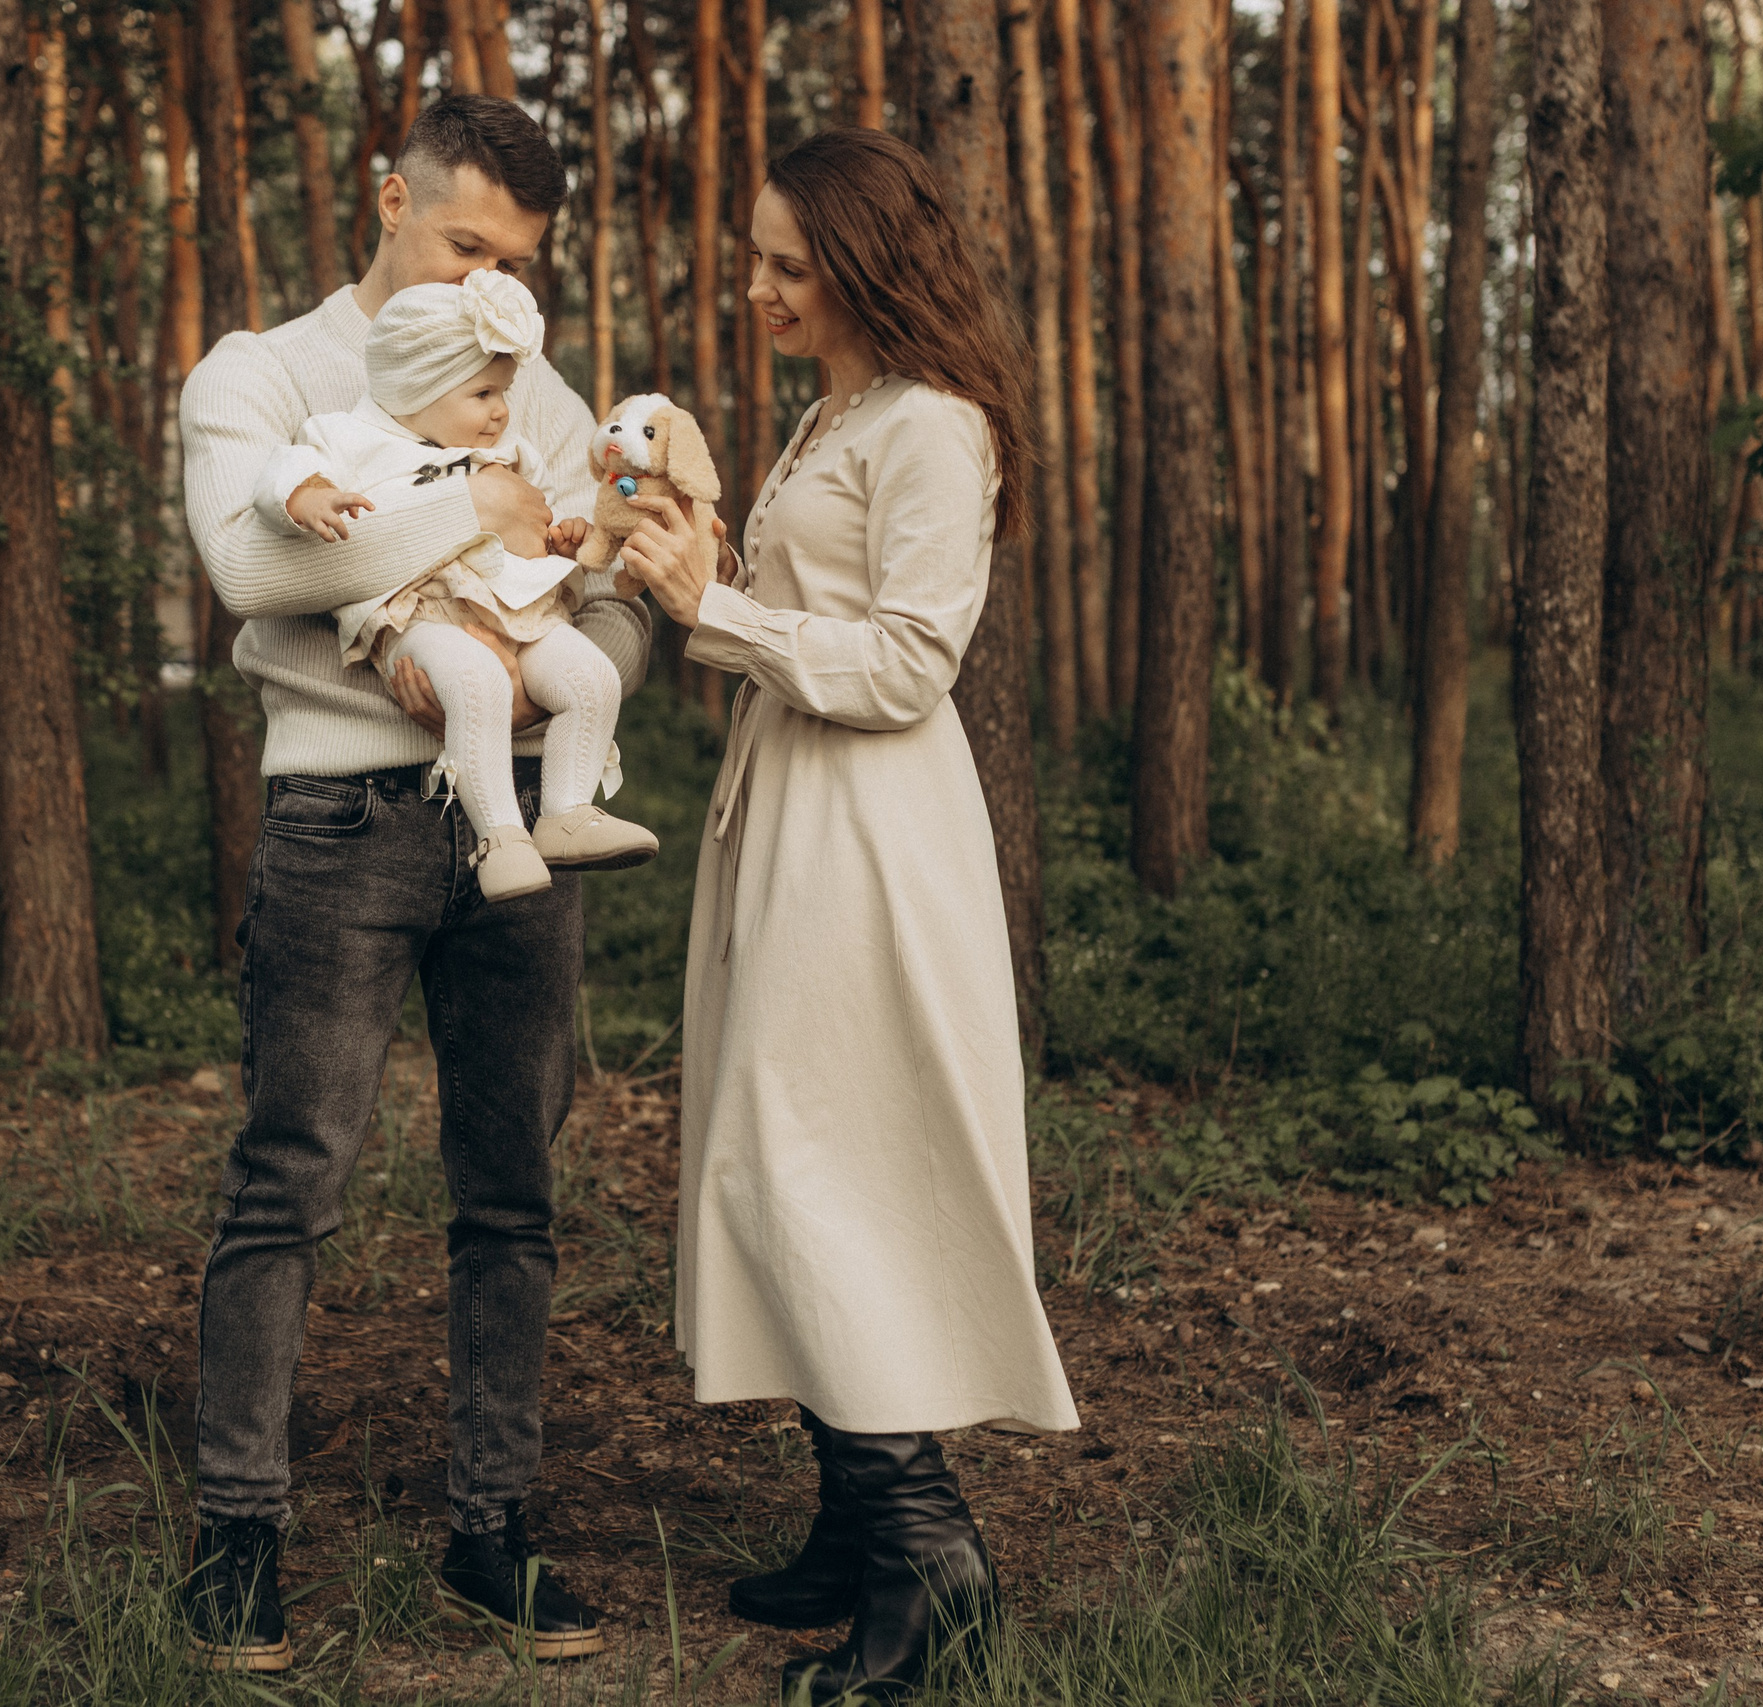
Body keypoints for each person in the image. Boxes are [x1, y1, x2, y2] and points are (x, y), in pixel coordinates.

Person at [176, 93, 643, 1672]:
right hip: (341, 818)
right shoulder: (263, 373)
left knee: (511, 1189)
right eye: (461, 246)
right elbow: (259, 574)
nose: (485, 292)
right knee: (289, 1176)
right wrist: (476, 511)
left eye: (514, 263)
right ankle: (239, 1534)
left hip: (517, 814)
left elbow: (605, 590)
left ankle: (489, 1526)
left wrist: (574, 656)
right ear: (387, 199)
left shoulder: (550, 395)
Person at [616, 127, 1081, 1703]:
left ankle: (933, 1561)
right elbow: (795, 618)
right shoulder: (843, 412)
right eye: (755, 255)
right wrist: (697, 559)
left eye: (786, 264)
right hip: (794, 811)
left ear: (870, 266)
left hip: (872, 835)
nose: (755, 287)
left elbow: (905, 664)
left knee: (811, 1165)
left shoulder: (934, 427)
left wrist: (715, 611)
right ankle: (853, 1523)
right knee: (790, 1154)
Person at [254, 270, 659, 902]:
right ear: (418, 388)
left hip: (518, 611)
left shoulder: (505, 450)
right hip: (420, 619)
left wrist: (563, 534)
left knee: (591, 677)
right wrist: (306, 496)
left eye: (503, 391)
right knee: (476, 681)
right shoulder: (350, 437)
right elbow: (285, 467)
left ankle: (566, 812)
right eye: (483, 393)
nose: (502, 409)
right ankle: (500, 837)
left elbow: (536, 523)